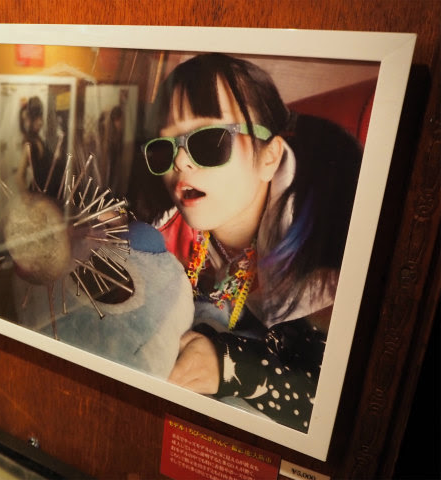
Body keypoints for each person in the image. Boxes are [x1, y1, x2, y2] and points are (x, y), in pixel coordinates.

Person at [135, 53, 362, 431]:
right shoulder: (161, 226)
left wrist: (230, 366)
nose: (180, 162)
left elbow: (339, 400)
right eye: (164, 148)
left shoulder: (328, 258)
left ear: (269, 157)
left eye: (209, 141)